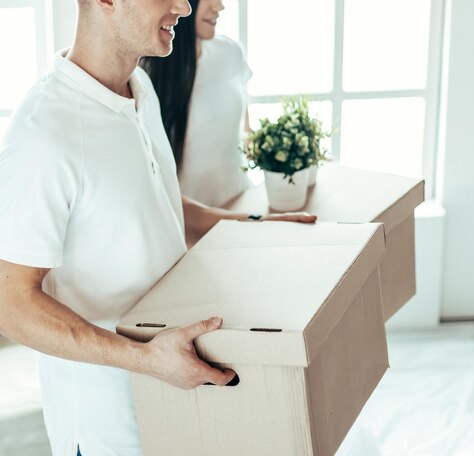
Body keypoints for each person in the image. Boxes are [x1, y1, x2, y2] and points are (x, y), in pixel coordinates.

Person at [0, 0, 315, 455]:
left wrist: (253, 224)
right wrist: (145, 359)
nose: (183, 6)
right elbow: (10, 304)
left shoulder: (139, 87)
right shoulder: (44, 131)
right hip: (106, 422)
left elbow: (156, 200)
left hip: (169, 395)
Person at [141, 0, 252, 208]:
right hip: (188, 226)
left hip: (240, 205)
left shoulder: (231, 53)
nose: (219, 6)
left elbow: (247, 128)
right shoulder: (144, 74)